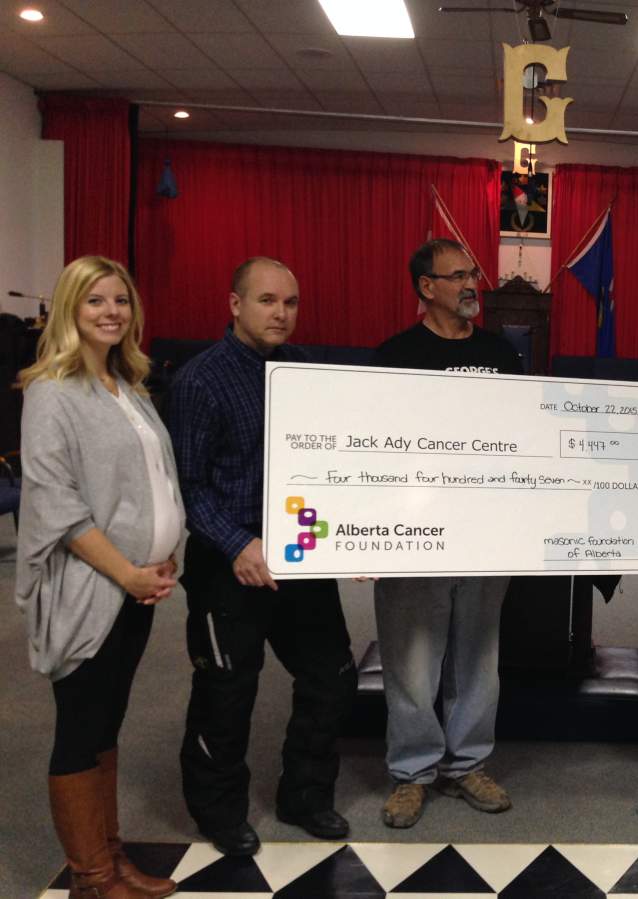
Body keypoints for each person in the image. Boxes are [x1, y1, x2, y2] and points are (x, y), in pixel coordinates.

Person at [169, 257, 357, 857]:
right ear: (234, 304)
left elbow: (332, 466)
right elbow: (189, 488)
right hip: (231, 563)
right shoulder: (200, 381)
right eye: (267, 301)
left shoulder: (307, 372)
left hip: (301, 555)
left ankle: (305, 795)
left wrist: (359, 535)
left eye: (291, 303)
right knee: (227, 690)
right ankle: (218, 811)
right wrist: (237, 545)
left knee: (331, 676)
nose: (281, 313)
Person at [16, 256, 183, 899]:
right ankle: (91, 876)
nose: (111, 312)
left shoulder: (129, 386)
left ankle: (112, 861)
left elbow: (153, 486)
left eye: (121, 301)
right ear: (69, 310)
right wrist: (129, 573)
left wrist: (162, 557)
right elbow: (57, 504)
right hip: (92, 588)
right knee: (81, 726)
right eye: (95, 302)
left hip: (137, 586)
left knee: (108, 721)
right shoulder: (52, 392)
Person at [372, 239, 522, 829]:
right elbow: (371, 450)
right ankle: (412, 772)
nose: (470, 286)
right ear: (425, 288)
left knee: (479, 656)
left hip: (487, 534)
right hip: (414, 535)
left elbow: (523, 440)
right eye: (456, 276)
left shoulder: (503, 356)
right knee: (412, 656)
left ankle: (467, 765)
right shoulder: (393, 356)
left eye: (473, 275)